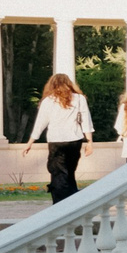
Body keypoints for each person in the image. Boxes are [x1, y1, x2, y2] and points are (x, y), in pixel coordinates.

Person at [27, 73, 94, 203]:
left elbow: (40, 123)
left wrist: (30, 142)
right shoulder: (80, 99)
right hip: (74, 140)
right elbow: (86, 121)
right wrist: (90, 141)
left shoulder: (48, 101)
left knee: (58, 174)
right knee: (69, 173)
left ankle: (60, 204)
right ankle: (73, 201)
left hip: (56, 141)